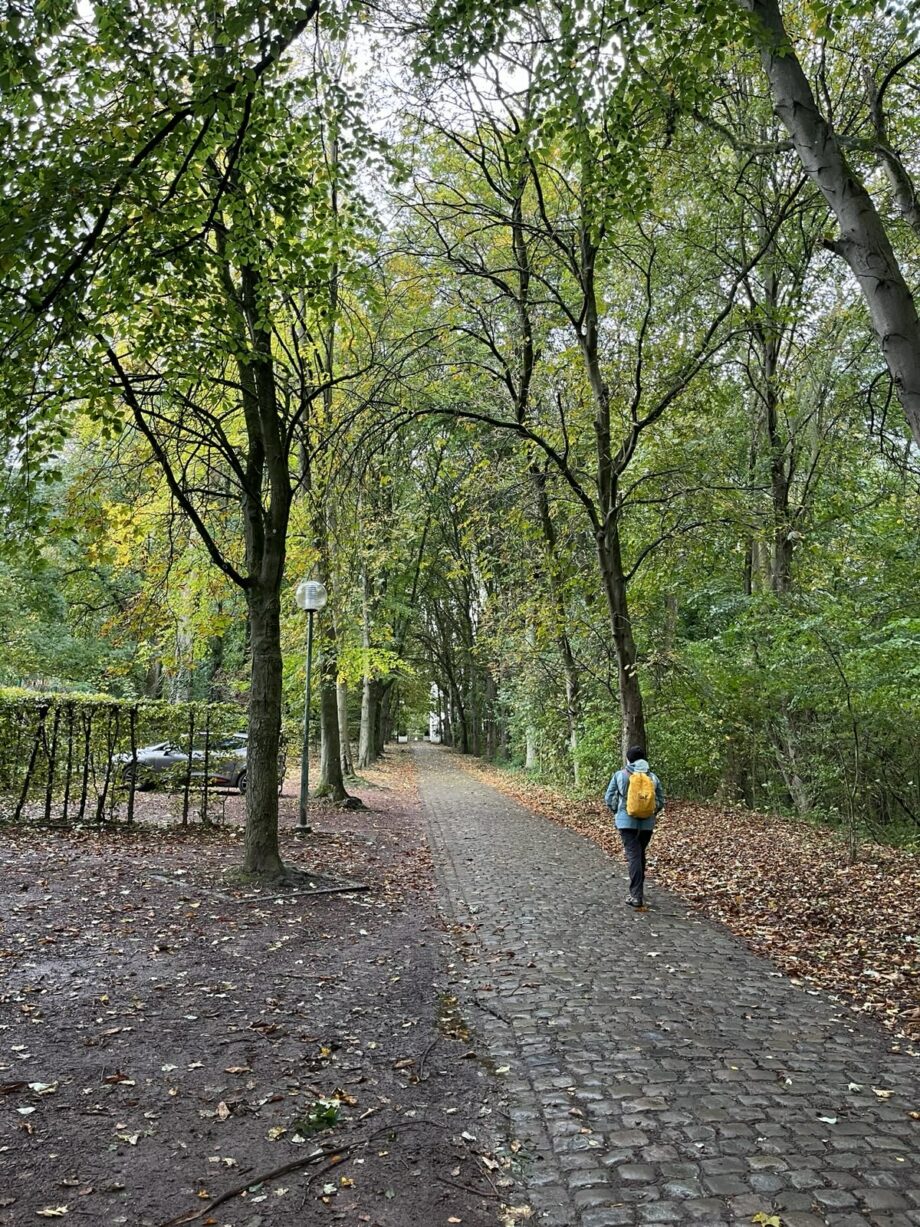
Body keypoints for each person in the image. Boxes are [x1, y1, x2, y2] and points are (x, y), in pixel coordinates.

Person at [604, 745, 665, 909]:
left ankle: (636, 895)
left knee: (633, 856)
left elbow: (609, 797)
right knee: (639, 854)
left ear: (628, 759)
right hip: (647, 824)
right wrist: (651, 812)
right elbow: (661, 800)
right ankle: (638, 891)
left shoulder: (620, 775)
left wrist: (617, 811)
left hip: (626, 822)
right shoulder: (652, 777)